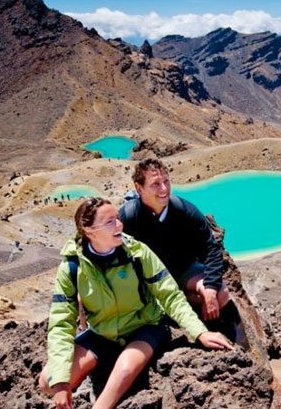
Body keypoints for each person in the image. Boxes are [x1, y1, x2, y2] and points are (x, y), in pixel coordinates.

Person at [38, 197, 232, 409]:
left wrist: (200, 332)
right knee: (49, 381)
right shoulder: (72, 267)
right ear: (89, 230)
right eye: (109, 222)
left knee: (126, 368)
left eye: (118, 218)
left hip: (146, 327)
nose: (119, 225)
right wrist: (60, 382)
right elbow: (61, 323)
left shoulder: (137, 252)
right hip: (103, 333)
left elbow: (170, 296)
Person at [119, 159, 241, 340]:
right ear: (139, 188)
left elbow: (211, 249)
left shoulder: (184, 210)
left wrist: (210, 289)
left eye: (166, 182)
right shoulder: (128, 217)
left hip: (182, 271)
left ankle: (198, 328)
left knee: (220, 294)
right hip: (148, 280)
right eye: (155, 184)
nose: (164, 189)